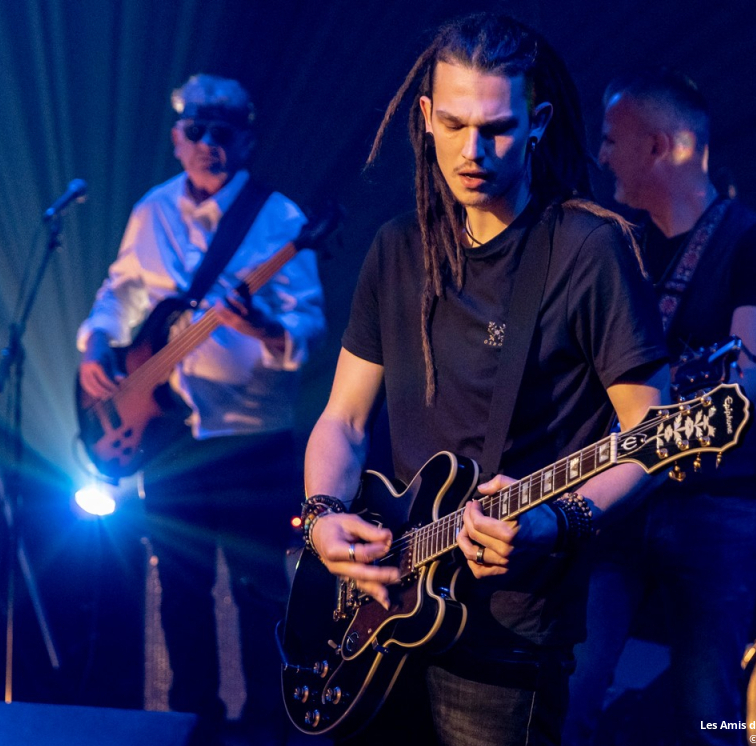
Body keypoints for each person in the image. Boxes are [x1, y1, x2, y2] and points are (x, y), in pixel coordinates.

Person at [301, 14, 669, 746]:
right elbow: (342, 420)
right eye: (457, 124)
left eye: (498, 128)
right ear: (426, 118)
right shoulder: (398, 250)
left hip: (508, 635)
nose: (474, 151)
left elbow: (651, 438)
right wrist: (320, 517)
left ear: (537, 124)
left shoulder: (587, 249)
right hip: (384, 607)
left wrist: (558, 519)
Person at [77, 74, 325, 741]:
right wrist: (96, 345)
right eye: (197, 132)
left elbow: (309, 326)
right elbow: (121, 292)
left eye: (224, 133)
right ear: (177, 139)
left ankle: (273, 726)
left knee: (258, 590)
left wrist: (266, 332)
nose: (209, 145)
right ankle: (194, 724)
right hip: (169, 431)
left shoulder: (282, 219)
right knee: (181, 591)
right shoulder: (151, 210)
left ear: (245, 138)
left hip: (251, 434)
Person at [563, 69, 756, 746]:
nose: (600, 155)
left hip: (713, 509)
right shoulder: (615, 247)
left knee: (710, 713)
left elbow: (738, 393)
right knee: (569, 691)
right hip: (613, 501)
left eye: (612, 140)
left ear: (659, 147)